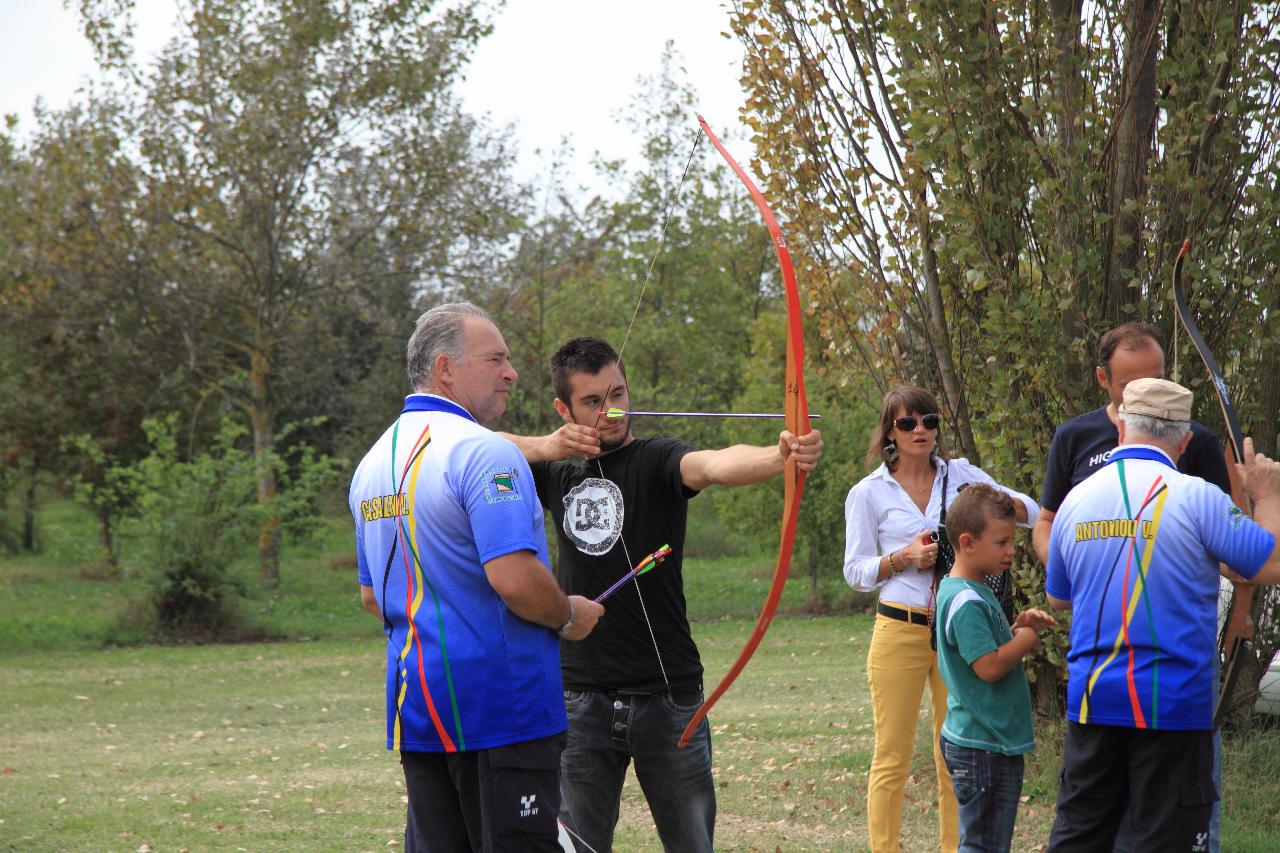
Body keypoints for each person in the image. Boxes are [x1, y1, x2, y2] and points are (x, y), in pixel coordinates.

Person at [499, 335, 823, 853]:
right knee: (577, 846)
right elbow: (469, 443)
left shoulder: (659, 458)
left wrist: (779, 455)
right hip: (581, 696)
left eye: (619, 393)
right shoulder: (552, 470)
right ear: (563, 408)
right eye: (592, 401)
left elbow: (715, 464)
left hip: (670, 698)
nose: (612, 410)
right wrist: (548, 446)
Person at [349, 303, 604, 853]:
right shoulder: (486, 452)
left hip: (418, 710)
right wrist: (568, 615)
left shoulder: (371, 465)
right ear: (446, 369)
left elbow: (373, 596)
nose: (511, 372)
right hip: (502, 712)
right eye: (496, 359)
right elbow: (513, 577)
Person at [1030, 322, 1250, 852]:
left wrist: (1241, 606)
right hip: (1105, 655)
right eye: (1131, 383)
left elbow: (1233, 543)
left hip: (1172, 658)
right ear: (1104, 380)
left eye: (1155, 376)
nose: (1144, 391)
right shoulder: (1075, 437)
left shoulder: (1193, 444)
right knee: (1100, 818)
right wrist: (1071, 558)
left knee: (1176, 815)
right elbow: (1047, 523)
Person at [843, 385, 1038, 853]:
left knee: (954, 749)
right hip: (900, 626)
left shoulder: (961, 475)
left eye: (930, 421)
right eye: (909, 423)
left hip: (956, 627)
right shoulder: (868, 492)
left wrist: (984, 512)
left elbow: (1028, 511)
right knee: (891, 755)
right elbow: (855, 572)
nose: (922, 431)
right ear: (891, 429)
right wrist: (903, 557)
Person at [935, 484, 1057, 853]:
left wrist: (1018, 628)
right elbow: (988, 667)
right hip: (982, 746)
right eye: (1001, 542)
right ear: (968, 543)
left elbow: (983, 647)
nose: (1012, 549)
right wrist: (1025, 640)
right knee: (984, 846)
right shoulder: (967, 600)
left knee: (987, 843)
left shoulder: (965, 589)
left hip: (984, 742)